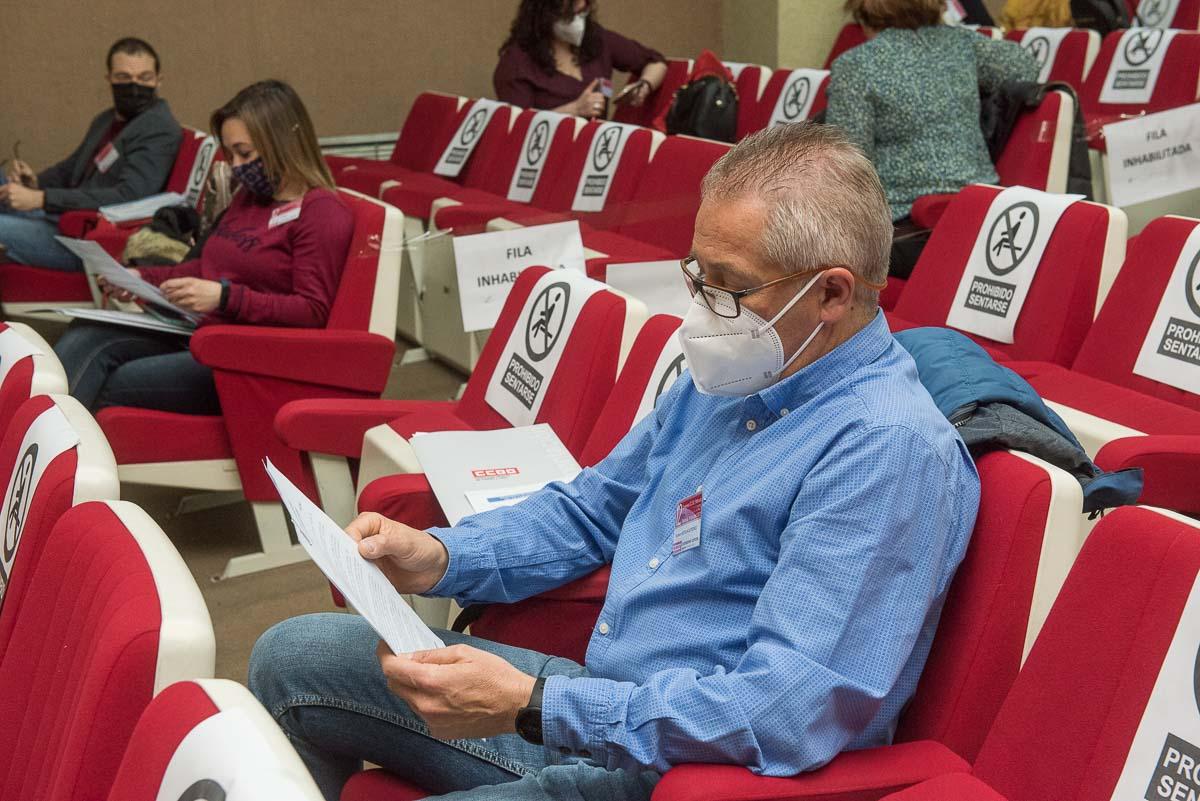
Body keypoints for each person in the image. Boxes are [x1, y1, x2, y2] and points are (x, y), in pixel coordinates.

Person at [249, 123, 982, 801]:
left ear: (830, 293)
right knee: (292, 653)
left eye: (726, 287)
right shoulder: (742, 374)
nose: (701, 309)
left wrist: (533, 704)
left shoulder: (885, 449)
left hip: (688, 770)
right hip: (601, 703)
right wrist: (438, 556)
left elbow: (782, 709)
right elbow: (594, 507)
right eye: (697, 274)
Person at [53, 80, 353, 415]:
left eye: (246, 153)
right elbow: (203, 269)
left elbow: (312, 311)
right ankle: (29, 445)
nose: (236, 166)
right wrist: (140, 276)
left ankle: (60, 452)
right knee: (87, 333)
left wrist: (225, 297)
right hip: (201, 328)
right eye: (231, 153)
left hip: (248, 354)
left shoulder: (321, 211)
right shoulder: (249, 197)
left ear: (283, 142)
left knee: (115, 380)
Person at [826, 0, 1038, 276]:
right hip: (984, 215)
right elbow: (1026, 67)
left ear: (864, 11)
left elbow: (850, 171)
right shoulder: (963, 44)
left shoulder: (853, 67)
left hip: (906, 227)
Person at [0, 37, 181, 271]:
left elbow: (129, 197)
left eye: (144, 78)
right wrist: (35, 182)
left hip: (85, 240)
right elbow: (70, 168)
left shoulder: (158, 129)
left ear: (158, 81)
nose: (134, 86)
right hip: (63, 217)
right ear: (109, 79)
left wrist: (41, 199)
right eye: (123, 78)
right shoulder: (107, 120)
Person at [494, 0, 668, 118]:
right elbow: (518, 131)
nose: (578, 18)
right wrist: (575, 109)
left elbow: (656, 61)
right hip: (549, 159)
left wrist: (644, 85)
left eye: (583, 12)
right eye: (570, 13)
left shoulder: (597, 40)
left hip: (596, 153)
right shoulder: (516, 62)